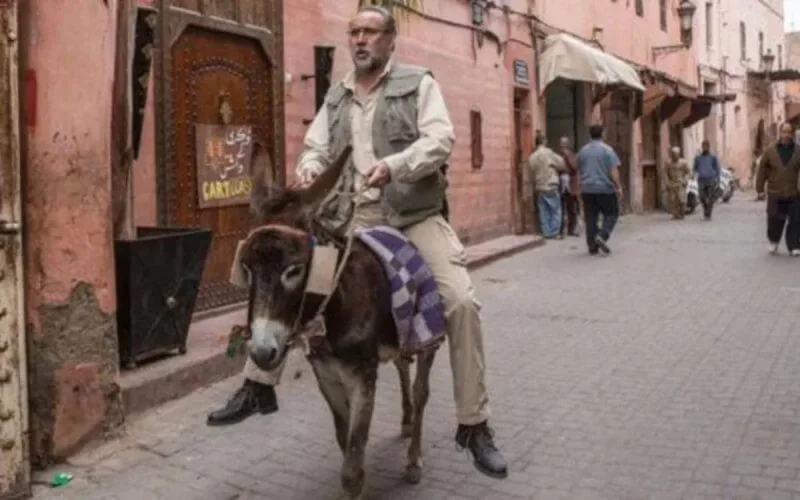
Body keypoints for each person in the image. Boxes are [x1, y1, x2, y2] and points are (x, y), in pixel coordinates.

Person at [206, 5, 509, 479]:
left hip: (413, 217)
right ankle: (258, 385)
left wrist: (396, 165)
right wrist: (309, 167)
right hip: (354, 219)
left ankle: (474, 424)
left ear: (390, 41)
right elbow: (315, 146)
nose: (361, 39)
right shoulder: (336, 97)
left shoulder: (419, 83)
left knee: (461, 302)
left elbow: (441, 139)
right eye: (354, 32)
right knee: (290, 276)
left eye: (371, 31)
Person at [576, 124, 624, 255]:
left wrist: (578, 188)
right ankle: (602, 235)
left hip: (587, 189)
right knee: (612, 213)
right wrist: (619, 187)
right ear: (602, 133)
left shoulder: (583, 151)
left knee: (590, 217)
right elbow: (613, 170)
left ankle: (592, 246)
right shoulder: (607, 150)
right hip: (605, 189)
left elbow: (578, 171)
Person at [755, 122, 800, 256]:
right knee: (774, 219)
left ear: (791, 134)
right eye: (784, 132)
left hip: (794, 192)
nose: (786, 135)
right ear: (780, 133)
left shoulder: (798, 150)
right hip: (775, 191)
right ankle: (774, 241)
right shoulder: (770, 150)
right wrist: (760, 189)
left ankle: (794, 246)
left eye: (789, 132)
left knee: (796, 220)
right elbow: (762, 170)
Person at [525, 133, 566, 239]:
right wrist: (555, 166)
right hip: (551, 184)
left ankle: (546, 232)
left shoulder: (532, 157)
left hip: (539, 186)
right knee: (555, 209)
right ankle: (554, 231)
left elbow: (529, 174)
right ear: (544, 141)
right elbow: (562, 163)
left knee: (543, 211)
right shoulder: (549, 153)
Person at [692, 140, 721, 220]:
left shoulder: (713, 157)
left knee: (710, 197)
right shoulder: (698, 158)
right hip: (701, 179)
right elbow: (694, 168)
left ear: (708, 147)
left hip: (711, 179)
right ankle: (705, 209)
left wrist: (718, 180)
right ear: (702, 147)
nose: (704, 148)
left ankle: (708, 213)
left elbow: (717, 169)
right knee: (702, 197)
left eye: (706, 146)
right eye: (703, 146)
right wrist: (693, 175)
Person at [558, 136, 580, 237]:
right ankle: (562, 229)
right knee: (562, 207)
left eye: (564, 144)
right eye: (562, 144)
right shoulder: (558, 156)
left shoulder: (570, 155)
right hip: (562, 183)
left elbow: (574, 168)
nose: (563, 146)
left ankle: (571, 229)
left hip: (571, 184)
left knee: (571, 207)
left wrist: (567, 159)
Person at [665, 146, 690, 220]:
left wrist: (685, 180)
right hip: (672, 183)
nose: (674, 155)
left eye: (676, 154)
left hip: (680, 183)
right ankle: (675, 214)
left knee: (681, 200)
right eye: (673, 154)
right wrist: (667, 183)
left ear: (679, 154)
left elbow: (688, 172)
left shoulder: (683, 163)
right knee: (672, 200)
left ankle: (682, 213)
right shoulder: (668, 163)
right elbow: (665, 174)